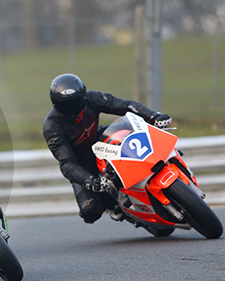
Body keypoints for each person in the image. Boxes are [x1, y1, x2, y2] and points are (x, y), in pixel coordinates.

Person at [43, 73, 173, 224]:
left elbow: (125, 106)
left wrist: (154, 116)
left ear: (83, 96)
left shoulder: (92, 97)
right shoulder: (52, 127)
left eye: (76, 103)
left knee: (130, 129)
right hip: (81, 163)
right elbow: (67, 164)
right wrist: (89, 180)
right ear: (56, 105)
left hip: (102, 140)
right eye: (66, 106)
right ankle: (114, 206)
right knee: (90, 211)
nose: (73, 110)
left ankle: (161, 163)